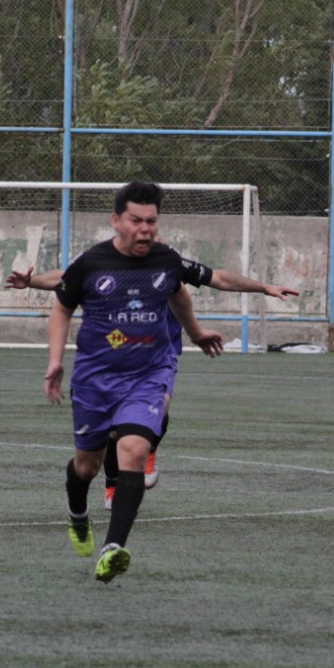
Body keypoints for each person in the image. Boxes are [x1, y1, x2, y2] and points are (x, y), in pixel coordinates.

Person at [45, 181, 224, 583]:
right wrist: (55, 362)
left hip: (147, 373)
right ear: (116, 220)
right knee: (86, 466)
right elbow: (61, 307)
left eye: (152, 221)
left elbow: (182, 294)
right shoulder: (91, 262)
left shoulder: (166, 260)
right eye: (137, 220)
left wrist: (195, 333)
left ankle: (113, 547)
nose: (145, 228)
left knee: (134, 449)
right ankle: (77, 513)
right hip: (95, 378)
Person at [10, 257, 297, 508]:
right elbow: (66, 277)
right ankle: (112, 483)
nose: (143, 234)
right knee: (112, 432)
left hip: (159, 358)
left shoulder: (167, 263)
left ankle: (149, 450)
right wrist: (32, 281)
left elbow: (219, 277)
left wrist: (264, 287)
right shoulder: (106, 261)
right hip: (115, 358)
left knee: (157, 409)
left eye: (150, 224)